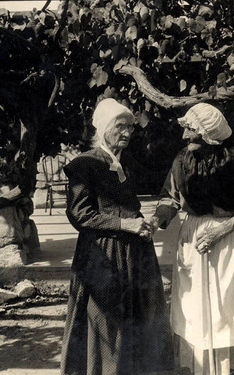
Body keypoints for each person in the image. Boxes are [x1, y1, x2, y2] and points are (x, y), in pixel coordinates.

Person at [147, 103, 234, 375]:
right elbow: (170, 198)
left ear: (209, 134)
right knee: (197, 307)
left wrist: (220, 230)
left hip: (233, 239)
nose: (183, 137)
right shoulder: (182, 159)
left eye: (190, 131)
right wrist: (157, 220)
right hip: (195, 239)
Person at [60, 98, 174, 375]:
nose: (126, 133)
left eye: (130, 128)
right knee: (106, 318)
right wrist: (125, 224)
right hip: (102, 253)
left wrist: (151, 220)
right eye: (119, 127)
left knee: (138, 315)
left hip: (135, 252)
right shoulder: (85, 164)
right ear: (103, 127)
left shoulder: (126, 162)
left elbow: (157, 190)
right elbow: (80, 215)